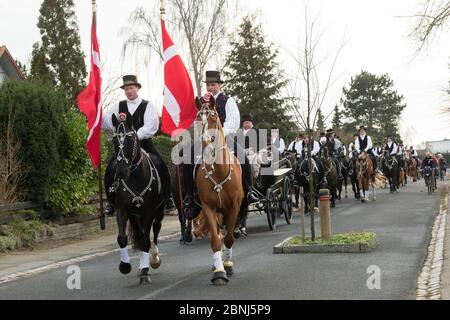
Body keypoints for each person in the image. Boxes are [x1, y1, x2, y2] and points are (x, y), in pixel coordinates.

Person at [182, 71, 258, 209]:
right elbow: (196, 122)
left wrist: (219, 133)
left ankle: (248, 192)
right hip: (204, 138)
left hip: (224, 137)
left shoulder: (227, 100)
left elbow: (233, 121)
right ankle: (190, 196)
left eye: (213, 84)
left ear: (219, 85)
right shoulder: (200, 102)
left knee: (243, 158)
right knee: (188, 159)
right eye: (208, 85)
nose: (210, 87)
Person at [102, 75, 172, 216]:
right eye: (126, 89)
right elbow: (108, 122)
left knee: (160, 164)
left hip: (144, 143)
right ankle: (111, 202)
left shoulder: (147, 105)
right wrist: (97, 111)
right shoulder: (118, 106)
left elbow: (151, 125)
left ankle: (167, 197)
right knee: (110, 168)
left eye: (131, 88)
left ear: (137, 88)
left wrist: (135, 137)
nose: (129, 91)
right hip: (124, 147)